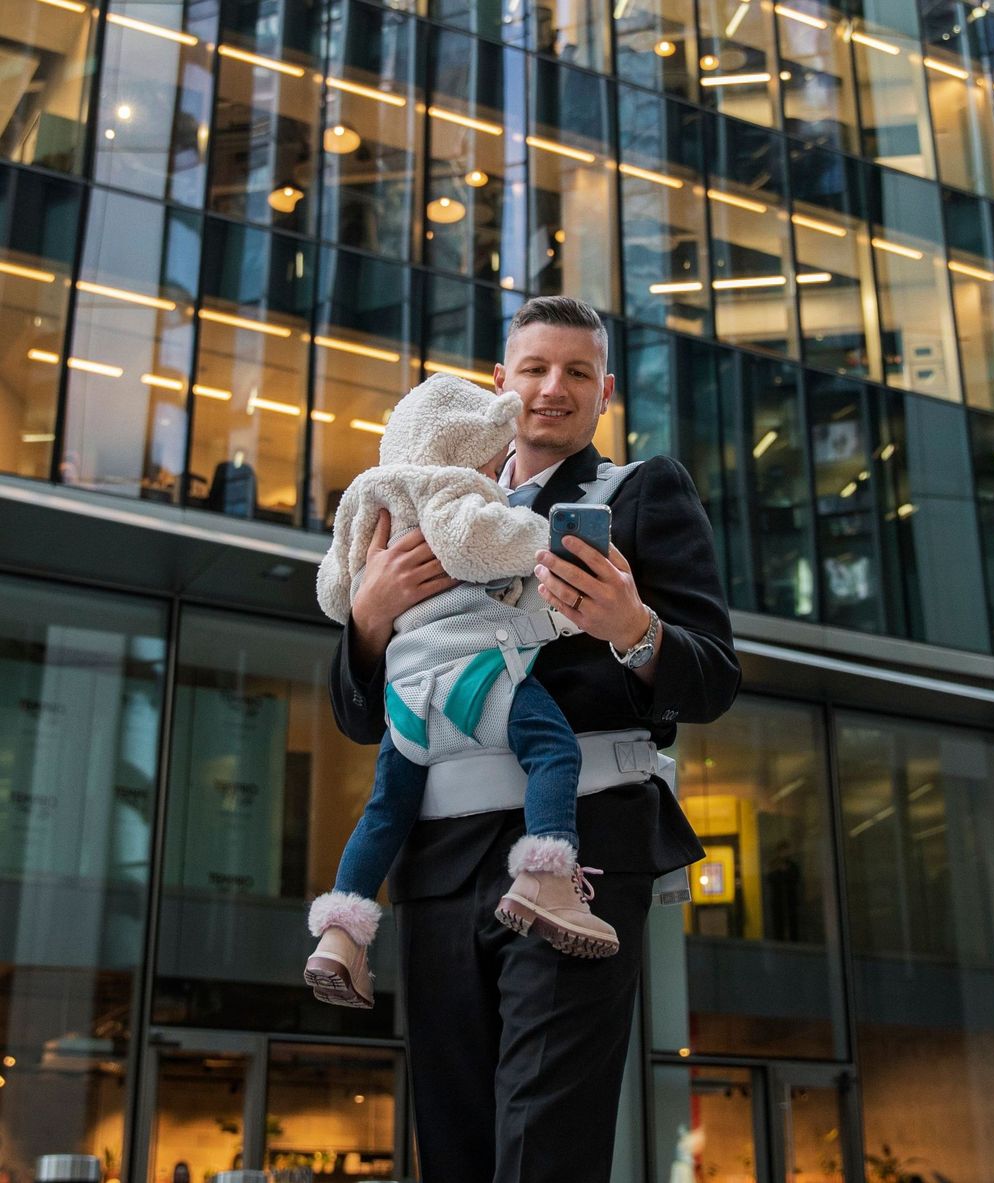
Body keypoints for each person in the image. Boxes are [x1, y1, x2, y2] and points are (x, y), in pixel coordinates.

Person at [328, 296, 740, 1183]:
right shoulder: (417, 505)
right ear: (499, 385)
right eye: (535, 369)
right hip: (437, 860)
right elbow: (363, 714)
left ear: (606, 394)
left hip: (581, 838)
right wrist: (367, 617)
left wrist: (634, 626)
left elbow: (714, 677)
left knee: (543, 1139)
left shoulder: (640, 492)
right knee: (455, 1140)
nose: (554, 388)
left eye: (578, 373)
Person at [306, 374, 621, 1009]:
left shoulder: (367, 498)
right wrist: (554, 545)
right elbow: (479, 544)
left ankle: (340, 934)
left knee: (385, 810)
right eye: (490, 450)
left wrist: (371, 600)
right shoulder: (452, 488)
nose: (497, 463)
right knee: (555, 753)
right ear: (462, 445)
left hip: (406, 701)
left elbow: (333, 595)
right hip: (475, 677)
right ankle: (547, 876)